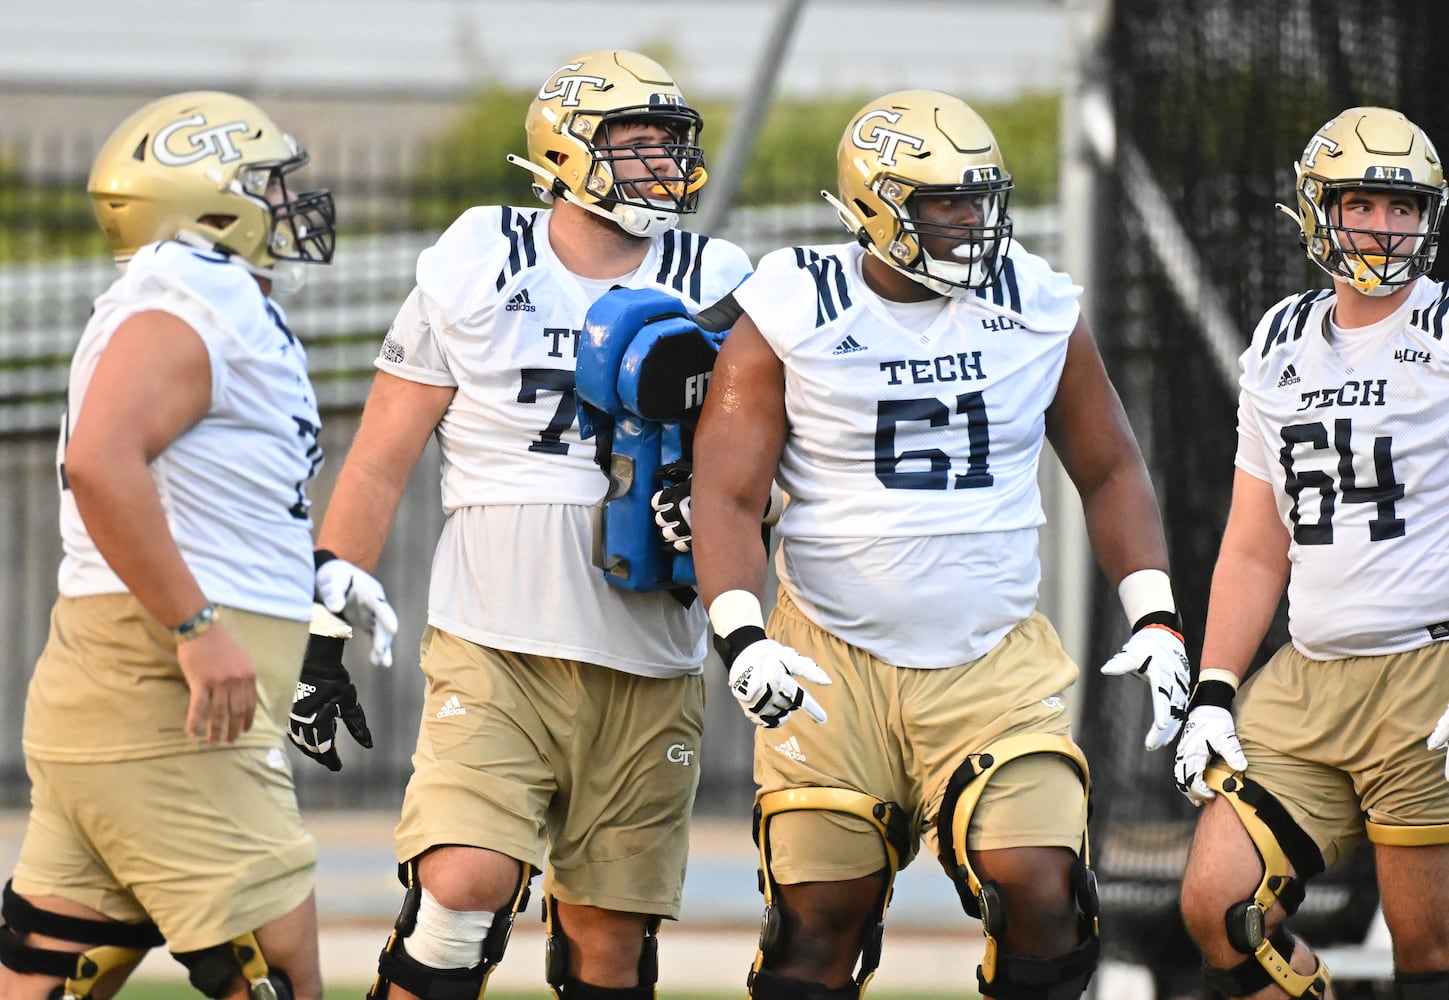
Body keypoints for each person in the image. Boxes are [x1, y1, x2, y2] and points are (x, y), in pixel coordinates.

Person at [688, 88, 1190, 1000]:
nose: (970, 223)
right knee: (815, 926)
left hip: (989, 660)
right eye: (942, 203)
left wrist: (1155, 618)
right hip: (829, 658)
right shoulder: (791, 304)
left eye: (979, 198)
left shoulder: (1033, 301)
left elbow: (1111, 468)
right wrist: (740, 635)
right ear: (874, 207)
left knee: (1043, 887)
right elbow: (725, 492)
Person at [298, 50, 752, 1000]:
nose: (664, 165)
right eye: (636, 145)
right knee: (461, 891)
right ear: (567, 151)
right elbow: (381, 453)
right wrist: (323, 624)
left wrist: (707, 514)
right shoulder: (476, 262)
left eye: (671, 144)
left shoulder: (715, 277)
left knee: (610, 943)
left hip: (648, 653)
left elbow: (756, 472)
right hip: (495, 642)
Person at [0, 90, 391, 1000]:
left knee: (50, 974)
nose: (291, 202)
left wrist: (312, 571)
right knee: (274, 967)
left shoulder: (213, 300)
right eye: (267, 183)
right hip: (161, 691)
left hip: (130, 691)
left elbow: (223, 492)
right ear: (211, 207)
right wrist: (195, 626)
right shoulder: (191, 298)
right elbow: (101, 464)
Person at [1174, 106, 1449, 1000]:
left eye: (1401, 206)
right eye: (1361, 202)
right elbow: (1256, 544)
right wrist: (1214, 690)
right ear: (1316, 207)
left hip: (1426, 670)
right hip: (1306, 675)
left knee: (1430, 954)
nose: (1382, 225)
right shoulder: (1279, 339)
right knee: (1221, 909)